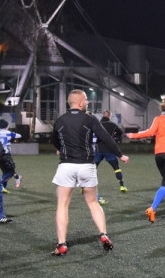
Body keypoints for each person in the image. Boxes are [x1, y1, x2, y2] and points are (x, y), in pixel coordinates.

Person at [50, 89, 128, 255]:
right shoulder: (90, 119)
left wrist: (60, 149)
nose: (87, 103)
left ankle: (62, 244)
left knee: (62, 205)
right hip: (86, 166)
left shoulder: (60, 120)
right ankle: (103, 235)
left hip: (66, 166)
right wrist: (120, 154)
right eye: (86, 100)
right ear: (79, 103)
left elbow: (54, 140)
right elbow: (106, 137)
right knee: (93, 203)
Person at [127, 96, 165, 223]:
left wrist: (133, 135)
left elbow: (150, 132)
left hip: (159, 154)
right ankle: (152, 208)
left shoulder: (158, 119)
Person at [95, 109, 127, 194]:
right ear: (109, 116)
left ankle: (84, 188)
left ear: (103, 115)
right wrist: (114, 137)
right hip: (109, 149)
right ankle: (122, 186)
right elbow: (120, 133)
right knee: (116, 168)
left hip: (98, 149)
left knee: (92, 169)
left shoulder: (97, 124)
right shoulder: (112, 125)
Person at [0, 119, 22, 192]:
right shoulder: (8, 133)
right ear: (7, 126)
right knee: (10, 171)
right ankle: (2, 185)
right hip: (6, 155)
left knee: (5, 171)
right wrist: (11, 134)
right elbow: (19, 136)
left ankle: (4, 187)